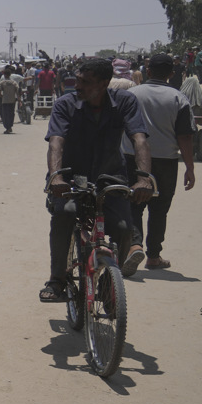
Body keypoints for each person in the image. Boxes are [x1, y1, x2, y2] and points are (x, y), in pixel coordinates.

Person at [43, 57, 152, 298]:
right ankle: (57, 279)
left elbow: (140, 139)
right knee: (65, 214)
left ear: (104, 84)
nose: (78, 86)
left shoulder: (125, 102)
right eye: (78, 80)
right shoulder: (65, 104)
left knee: (124, 229)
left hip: (110, 177)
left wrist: (144, 178)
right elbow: (56, 142)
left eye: (86, 82)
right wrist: (56, 178)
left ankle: (109, 283)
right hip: (70, 177)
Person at [121, 53, 194, 270]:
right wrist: (189, 168)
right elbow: (185, 136)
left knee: (133, 204)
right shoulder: (178, 98)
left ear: (147, 70)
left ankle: (134, 246)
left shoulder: (131, 94)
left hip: (131, 157)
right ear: (172, 74)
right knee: (159, 209)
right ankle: (153, 256)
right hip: (166, 161)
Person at [0, 66, 21, 134]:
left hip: (5, 101)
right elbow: (17, 91)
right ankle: (10, 126)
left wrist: (2, 95)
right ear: (10, 74)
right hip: (12, 100)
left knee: (5, 115)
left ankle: (7, 127)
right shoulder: (14, 82)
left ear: (4, 74)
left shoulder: (2, 82)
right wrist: (19, 99)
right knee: (11, 114)